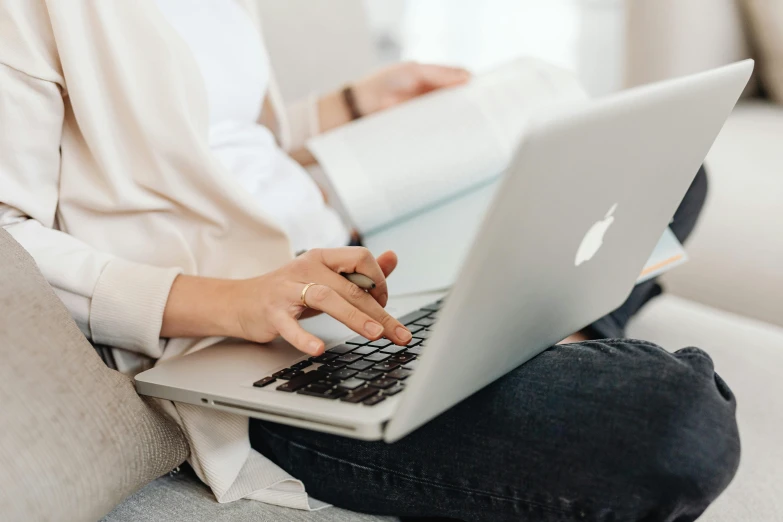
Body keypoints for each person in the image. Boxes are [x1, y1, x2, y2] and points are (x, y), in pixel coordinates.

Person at [0, 1, 738, 520]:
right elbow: (9, 234)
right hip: (251, 344)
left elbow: (216, 138)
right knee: (680, 424)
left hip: (349, 257)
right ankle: (534, 334)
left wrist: (351, 101)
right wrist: (228, 301)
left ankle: (506, 334)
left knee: (662, 173)